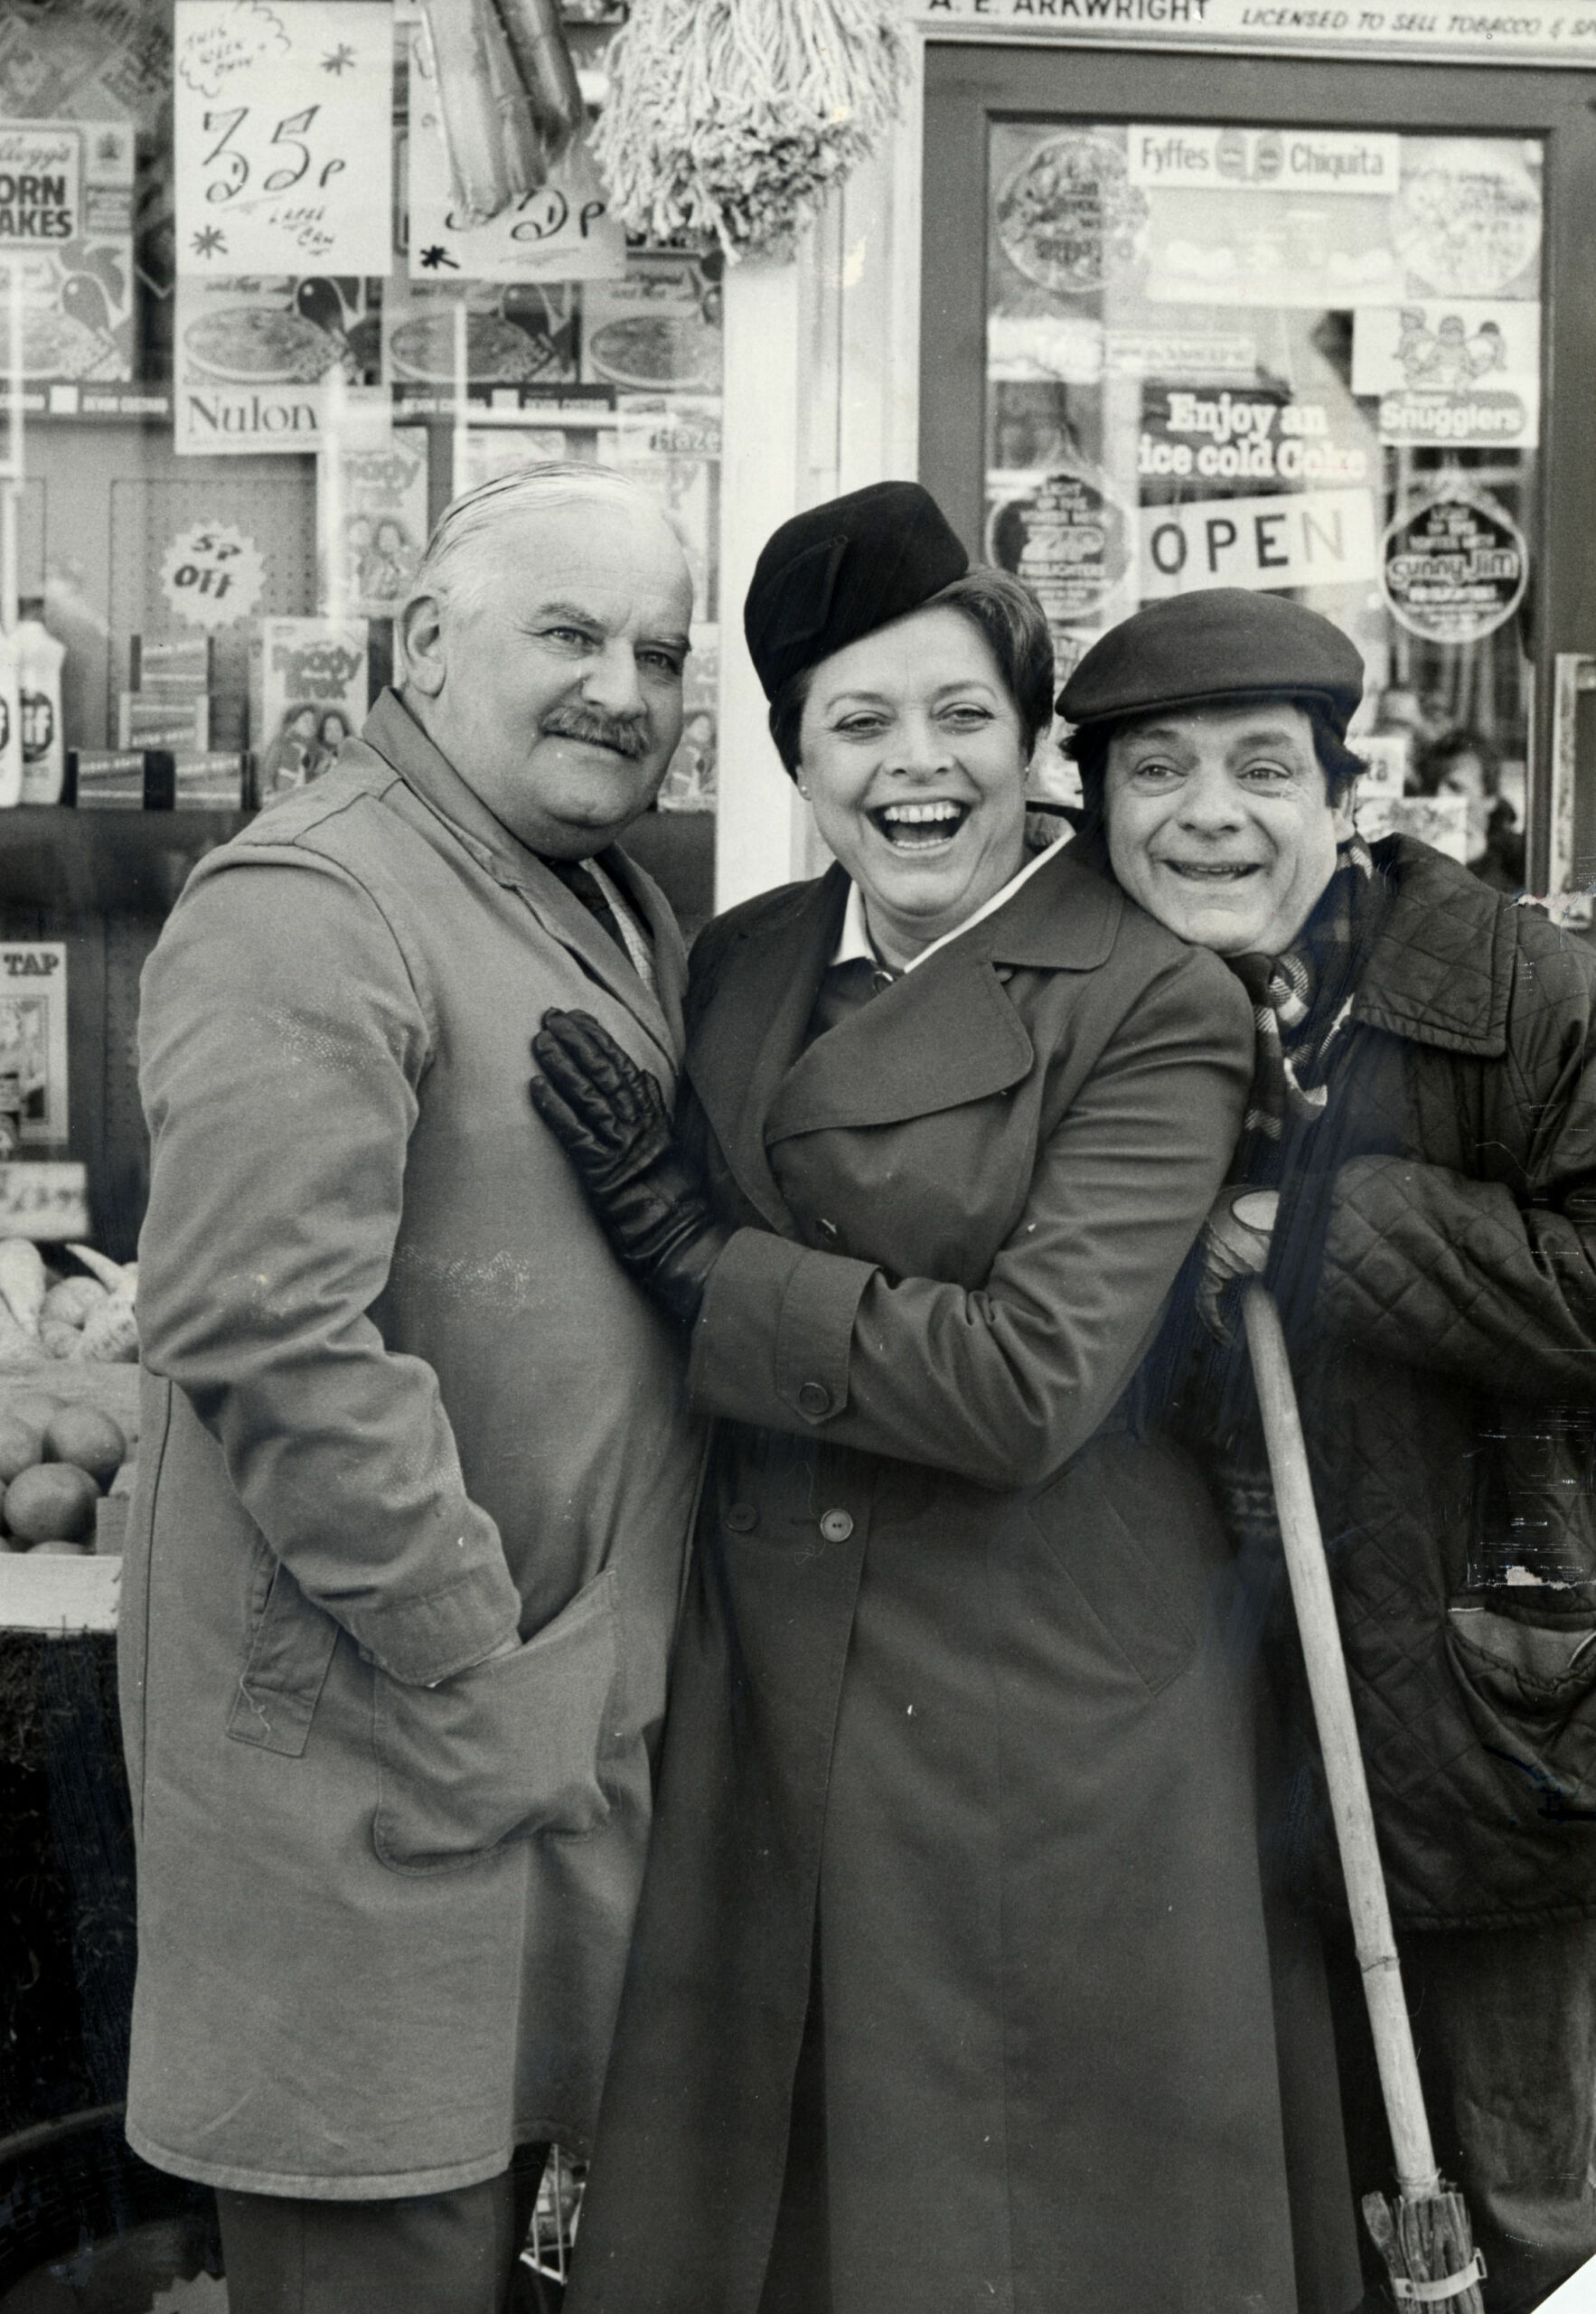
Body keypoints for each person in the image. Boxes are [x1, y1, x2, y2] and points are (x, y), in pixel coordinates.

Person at [537, 484, 1363, 2314]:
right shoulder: (746, 955)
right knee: (785, 2218)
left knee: (1016, 2230)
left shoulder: (1150, 997)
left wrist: (701, 1260)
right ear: (794, 759)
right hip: (773, 1691)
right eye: (860, 721)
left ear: (1025, 739)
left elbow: (1025, 1381)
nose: (919, 767)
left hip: (1038, 1715)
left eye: (963, 716)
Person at [120, 462, 703, 2314]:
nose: (625, 680)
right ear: (425, 644)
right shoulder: (315, 894)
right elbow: (254, 1321)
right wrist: (468, 1629)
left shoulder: (589, 889)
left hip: (521, 1754)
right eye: (571, 631)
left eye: (662, 649)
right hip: (379, 1748)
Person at [1060, 587, 1596, 2314]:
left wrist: (1324, 1230)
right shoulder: (1076, 1010)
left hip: (1473, 1725)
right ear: (1096, 806)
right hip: (1189, 1733)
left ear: (1339, 793)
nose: (1210, 814)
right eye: (1158, 771)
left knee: (1516, 2212)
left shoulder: (1511, 987)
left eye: (1259, 768)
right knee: (1257, 2215)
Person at [1413, 726, 1525, 893]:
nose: (1439, 797)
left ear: (1490, 798)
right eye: (1430, 787)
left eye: (1456, 788)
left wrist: (1477, 865)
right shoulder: (1409, 851)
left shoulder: (1517, 858)